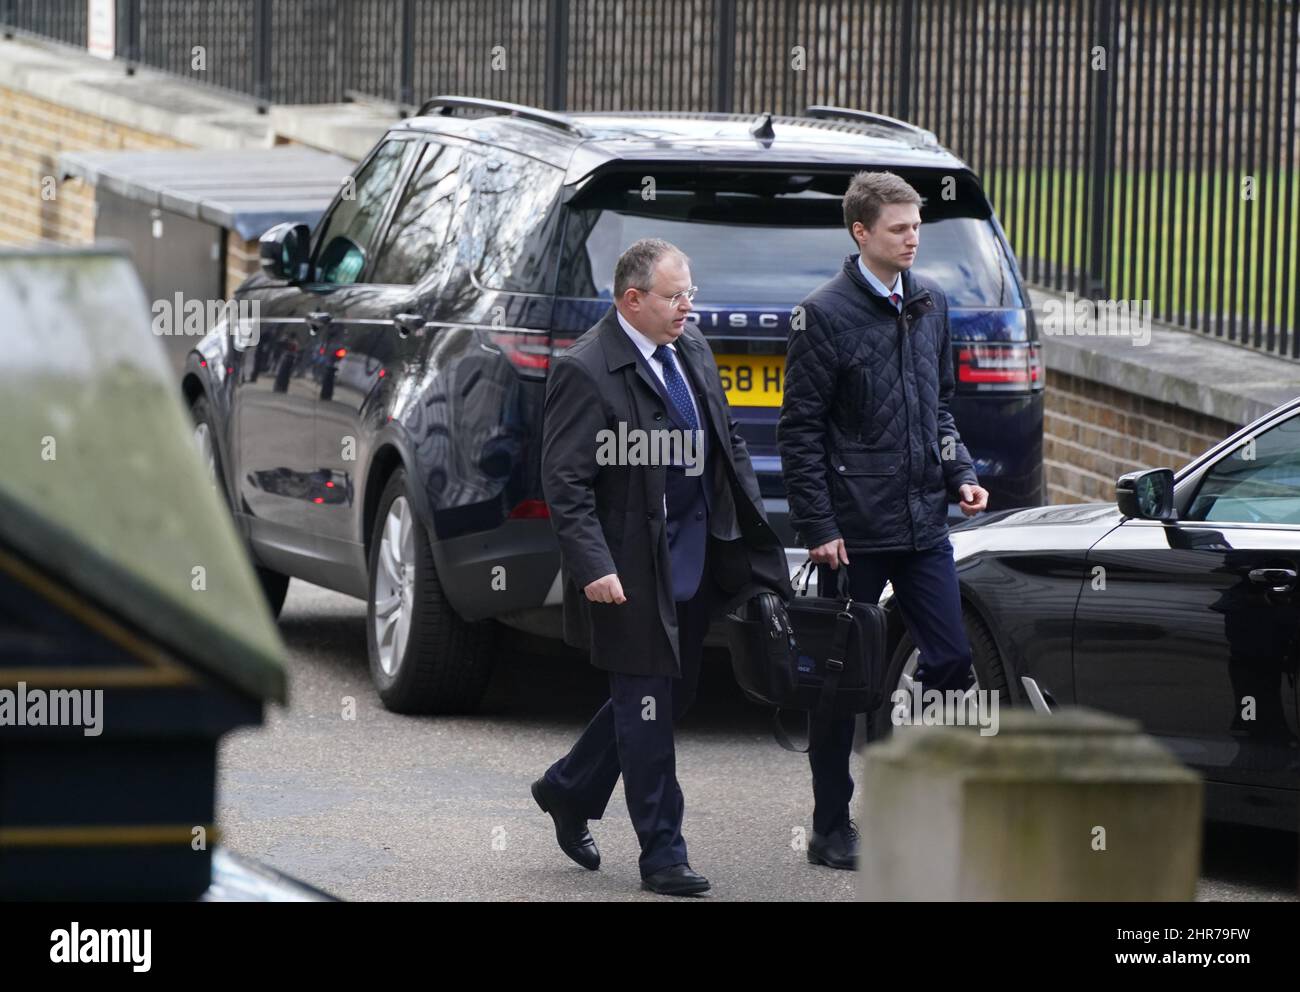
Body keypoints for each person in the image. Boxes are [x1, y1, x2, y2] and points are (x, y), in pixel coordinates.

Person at [534, 238, 790, 896]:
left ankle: (567, 788)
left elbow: (727, 439)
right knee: (647, 709)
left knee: (669, 697)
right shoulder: (588, 370)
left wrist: (751, 529)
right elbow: (565, 484)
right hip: (631, 568)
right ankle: (663, 855)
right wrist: (593, 563)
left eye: (690, 294)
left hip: (699, 558)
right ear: (632, 301)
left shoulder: (691, 348)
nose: (688, 306)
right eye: (676, 297)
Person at [777, 171, 990, 870]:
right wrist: (818, 526)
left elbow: (939, 409)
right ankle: (830, 826)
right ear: (861, 233)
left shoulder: (931, 304)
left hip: (923, 522)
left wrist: (960, 474)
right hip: (851, 533)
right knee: (839, 682)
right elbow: (800, 432)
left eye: (917, 225)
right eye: (899, 227)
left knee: (953, 661)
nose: (912, 237)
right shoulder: (823, 315)